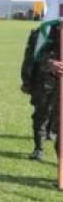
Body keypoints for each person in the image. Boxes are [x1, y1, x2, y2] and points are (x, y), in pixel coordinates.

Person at [21, 20, 60, 161]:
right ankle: (39, 147)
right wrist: (26, 80)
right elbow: (31, 57)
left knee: (59, 121)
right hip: (43, 82)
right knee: (40, 115)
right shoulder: (43, 32)